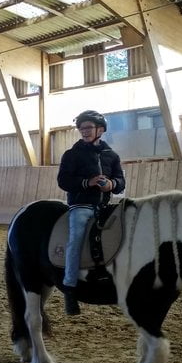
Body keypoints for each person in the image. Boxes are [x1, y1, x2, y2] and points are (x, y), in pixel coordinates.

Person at [57, 110, 125, 316]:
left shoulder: (111, 156)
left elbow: (121, 182)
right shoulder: (72, 155)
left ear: (100, 130)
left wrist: (111, 184)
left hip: (105, 205)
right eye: (81, 128)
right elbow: (64, 181)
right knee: (76, 238)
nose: (84, 132)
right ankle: (69, 287)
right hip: (82, 205)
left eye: (88, 128)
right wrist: (89, 183)